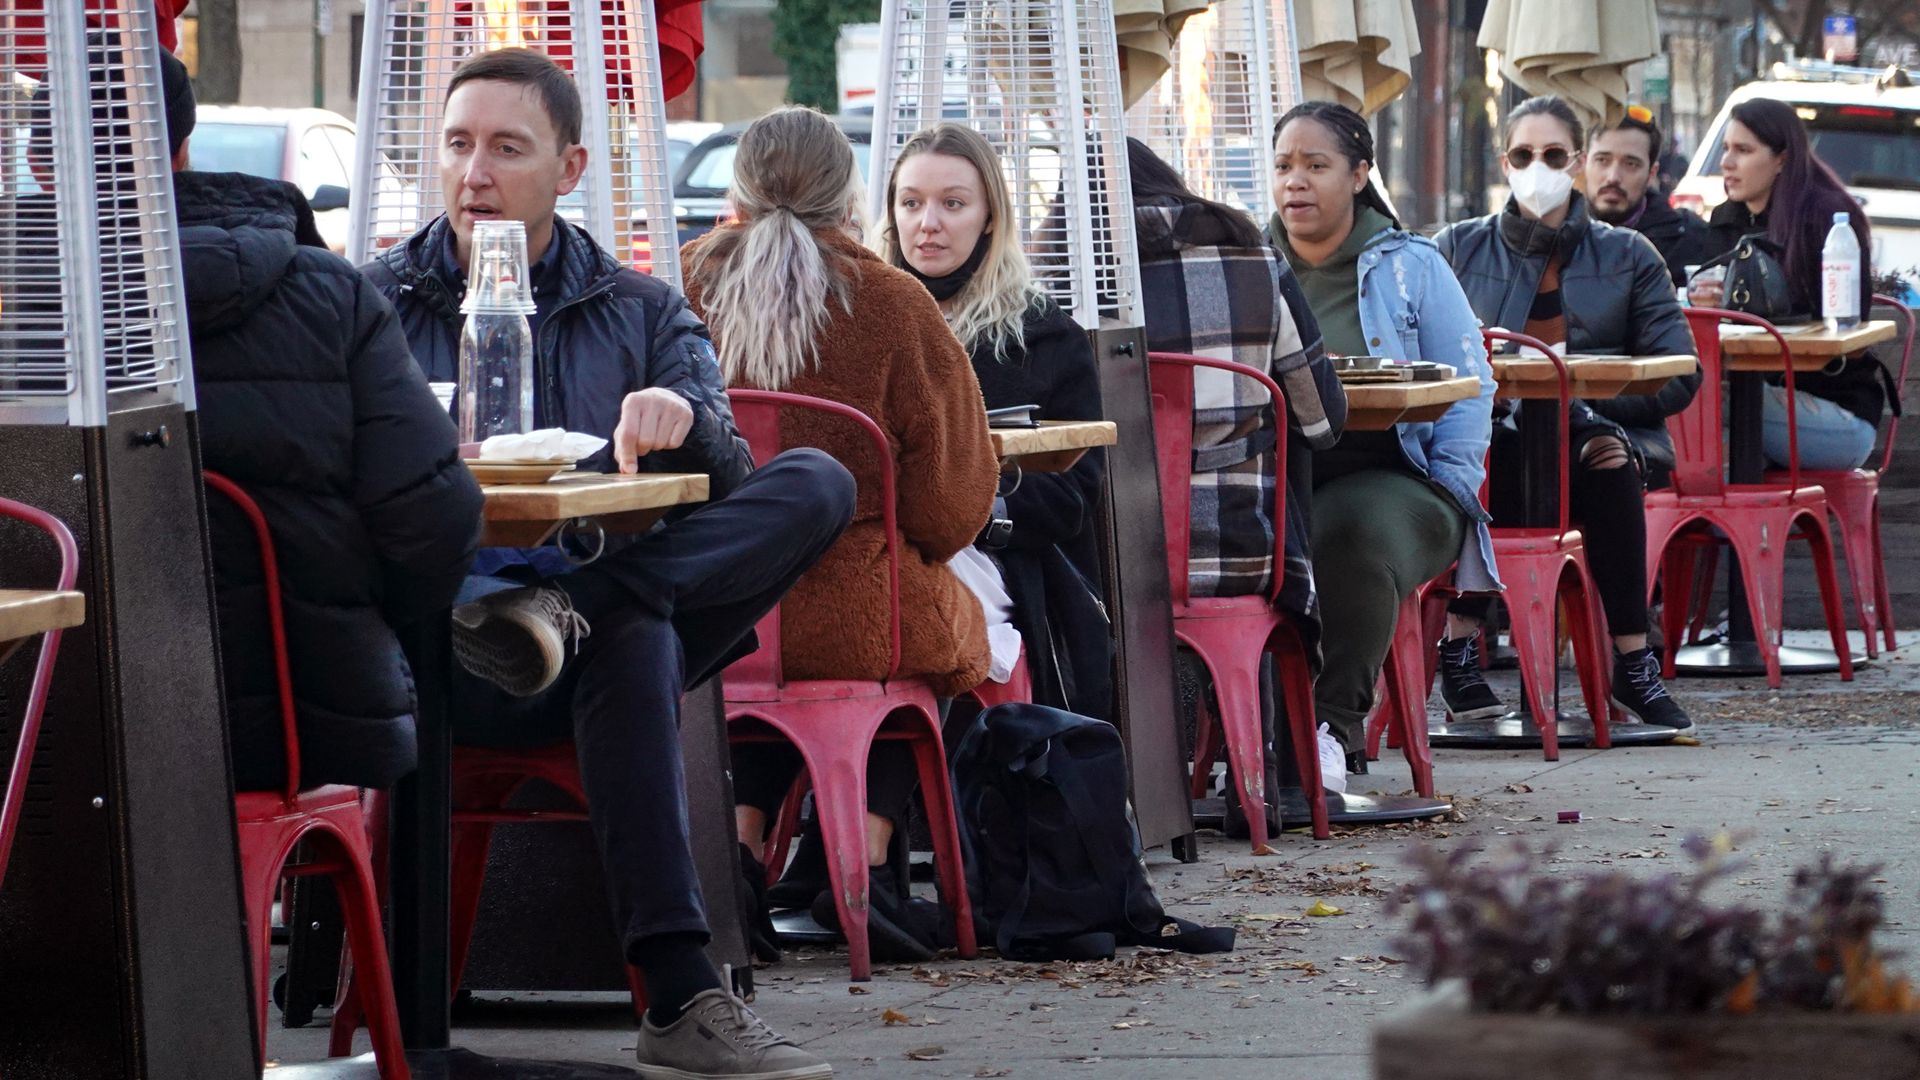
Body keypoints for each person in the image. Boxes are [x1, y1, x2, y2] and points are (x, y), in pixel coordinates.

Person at [363, 50, 852, 1080]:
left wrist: (685, 420)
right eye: (457, 146)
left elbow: (731, 472)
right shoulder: (374, 304)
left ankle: (567, 607)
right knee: (635, 636)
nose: (475, 174)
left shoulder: (640, 308)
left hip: (584, 635)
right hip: (434, 654)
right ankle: (679, 997)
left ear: (571, 166)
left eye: (507, 148)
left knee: (816, 481)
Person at [682, 107, 999, 963]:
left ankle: (738, 849)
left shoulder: (682, 285)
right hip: (859, 616)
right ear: (851, 197)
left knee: (769, 660)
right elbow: (949, 506)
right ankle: (867, 863)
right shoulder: (892, 302)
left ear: (738, 193)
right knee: (946, 641)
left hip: (712, 617)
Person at [160, 47, 482, 794]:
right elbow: (435, 519)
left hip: (39, 736)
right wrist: (349, 615)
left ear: (41, 162)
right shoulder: (330, 296)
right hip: (295, 727)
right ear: (183, 147)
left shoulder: (27, 306)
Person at [1435, 94, 1696, 730]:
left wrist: (1579, 397)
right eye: (1524, 154)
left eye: (1553, 155)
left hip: (1597, 444)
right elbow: (1420, 355)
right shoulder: (1455, 248)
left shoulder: (1630, 254)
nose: (1538, 167)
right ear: (1504, 162)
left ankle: (1632, 662)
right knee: (1479, 457)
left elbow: (1681, 372)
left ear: (1577, 162)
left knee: (1606, 456)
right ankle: (1458, 646)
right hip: (1485, 442)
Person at [1264, 101, 1498, 782]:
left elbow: (1470, 383)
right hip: (1279, 478)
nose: (1295, 181)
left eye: (1316, 165)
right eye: (1283, 166)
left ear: (1360, 174)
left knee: (1348, 531)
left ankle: (1330, 731)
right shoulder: (1247, 262)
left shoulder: (1409, 264)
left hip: (1405, 478)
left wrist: (1453, 483)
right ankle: (1232, 732)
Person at [1125, 137, 1348, 814]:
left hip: (1115, 563)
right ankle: (1267, 764)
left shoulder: (1074, 277)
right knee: (1286, 461)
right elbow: (1322, 421)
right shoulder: (1256, 258)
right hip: (1238, 550)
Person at [879, 121, 1113, 720]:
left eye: (952, 204)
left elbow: (1073, 495)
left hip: (1007, 562)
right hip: (876, 551)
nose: (928, 223)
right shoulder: (860, 322)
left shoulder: (1042, 336)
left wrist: (964, 511)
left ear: (990, 219)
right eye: (911, 203)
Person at [1691, 97, 1887, 472]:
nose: (1726, 162)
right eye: (1726, 148)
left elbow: (1847, 324)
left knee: (1699, 399)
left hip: (1837, 413)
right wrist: (1709, 299)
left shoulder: (1825, 217)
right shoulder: (1727, 219)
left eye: (1743, 150)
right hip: (1761, 397)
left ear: (1782, 159)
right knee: (1691, 404)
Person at [1584, 105, 1708, 286]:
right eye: (1602, 160)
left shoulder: (1691, 243)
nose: (1613, 177)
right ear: (1584, 162)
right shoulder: (1556, 237)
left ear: (1651, 172)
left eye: (1631, 164)